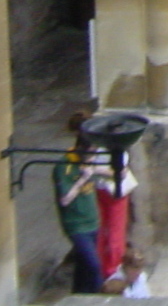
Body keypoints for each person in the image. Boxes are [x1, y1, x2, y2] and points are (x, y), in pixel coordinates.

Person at [72, 109, 134, 285]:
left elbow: (118, 171)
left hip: (107, 191)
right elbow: (118, 172)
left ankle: (108, 269)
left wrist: (94, 169)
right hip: (106, 191)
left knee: (109, 232)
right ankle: (107, 269)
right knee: (107, 231)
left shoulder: (106, 147)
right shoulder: (102, 147)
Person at [54, 126, 103, 294]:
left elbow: (110, 171)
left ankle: (78, 296)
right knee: (93, 265)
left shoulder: (88, 163)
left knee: (83, 268)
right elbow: (65, 198)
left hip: (92, 222)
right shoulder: (64, 166)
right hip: (76, 225)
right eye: (90, 154)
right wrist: (83, 179)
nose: (92, 158)